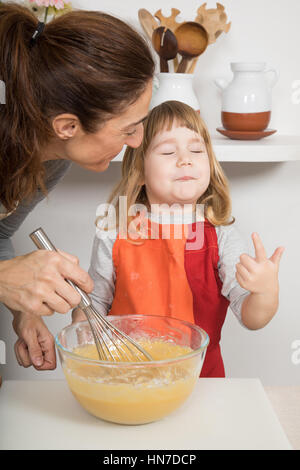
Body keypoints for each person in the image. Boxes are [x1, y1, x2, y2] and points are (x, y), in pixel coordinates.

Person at [72, 100, 285, 377]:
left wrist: (265, 291)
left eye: (196, 150)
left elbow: (252, 319)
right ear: (139, 172)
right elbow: (94, 306)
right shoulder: (115, 232)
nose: (185, 158)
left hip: (201, 382)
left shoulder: (221, 237)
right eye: (169, 151)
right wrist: (81, 326)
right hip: (126, 377)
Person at [0, 3, 154, 371]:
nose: (138, 141)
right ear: (67, 126)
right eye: (128, 128)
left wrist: (21, 305)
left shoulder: (50, 157)